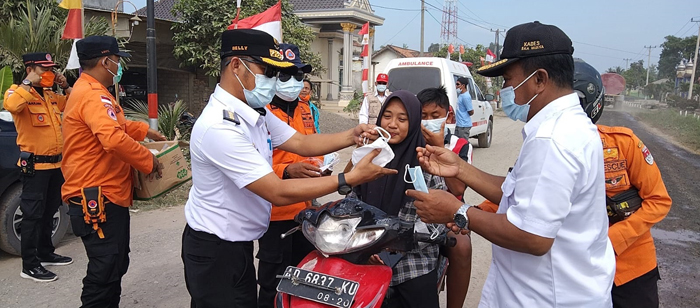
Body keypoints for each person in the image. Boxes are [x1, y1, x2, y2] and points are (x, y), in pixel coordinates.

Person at [181, 29, 396, 308]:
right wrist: (348, 178)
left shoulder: (254, 112)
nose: (272, 80)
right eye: (267, 70)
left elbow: (300, 141)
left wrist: (351, 135)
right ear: (236, 65)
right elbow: (277, 191)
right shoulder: (220, 127)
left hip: (237, 244)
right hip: (216, 249)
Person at [407, 21, 615, 307]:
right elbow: (523, 194)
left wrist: (458, 210)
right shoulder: (567, 127)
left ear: (539, 79)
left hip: (547, 298)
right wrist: (460, 168)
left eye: (507, 79)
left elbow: (533, 237)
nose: (505, 90)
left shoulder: (553, 139)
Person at [61, 36, 166, 307]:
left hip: (107, 194)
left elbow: (117, 125)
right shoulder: (92, 94)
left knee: (115, 263)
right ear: (105, 61)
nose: (119, 66)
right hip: (97, 197)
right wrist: (149, 160)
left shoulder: (92, 91)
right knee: (105, 269)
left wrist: (146, 131)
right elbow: (113, 139)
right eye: (118, 61)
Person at [574, 59, 671, 308]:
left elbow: (658, 201)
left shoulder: (623, 144)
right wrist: (471, 214)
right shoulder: (544, 149)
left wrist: (611, 239)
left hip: (630, 269)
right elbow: (517, 193)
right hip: (576, 273)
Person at [350, 90, 445, 308]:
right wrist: (365, 247)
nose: (393, 124)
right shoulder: (370, 156)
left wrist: (391, 246)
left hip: (413, 262)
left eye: (402, 119)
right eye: (387, 116)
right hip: (367, 254)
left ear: (413, 124)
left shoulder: (427, 162)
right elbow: (352, 204)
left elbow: (437, 223)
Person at [257, 43, 322, 308]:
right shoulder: (261, 113)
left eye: (298, 75)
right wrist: (285, 170)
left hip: (306, 210)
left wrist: (319, 166)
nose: (293, 82)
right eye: (285, 75)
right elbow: (252, 165)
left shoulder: (305, 109)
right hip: (275, 211)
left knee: (305, 277)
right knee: (274, 281)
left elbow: (312, 146)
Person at [3, 52, 73, 282]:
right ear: (30, 69)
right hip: (35, 167)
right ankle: (30, 265)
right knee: (32, 215)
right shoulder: (18, 92)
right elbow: (11, 104)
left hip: (56, 165)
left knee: (51, 208)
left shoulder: (51, 96)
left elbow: (73, 105)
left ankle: (45, 253)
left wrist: (66, 86)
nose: (49, 73)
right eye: (44, 69)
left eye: (51, 69)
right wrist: (27, 83)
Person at [417, 86, 473, 308]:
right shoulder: (412, 142)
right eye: (423, 117)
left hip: (448, 214)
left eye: (435, 116)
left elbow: (459, 189)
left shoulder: (460, 145)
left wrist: (439, 147)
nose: (429, 121)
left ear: (448, 115)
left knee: (462, 246)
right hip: (415, 212)